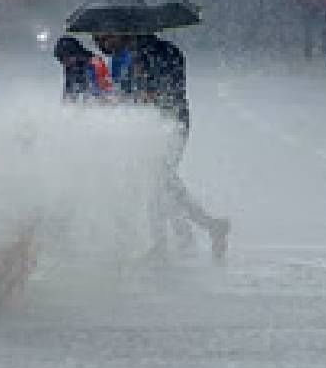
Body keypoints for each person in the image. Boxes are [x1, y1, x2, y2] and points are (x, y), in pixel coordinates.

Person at [94, 32, 231, 261]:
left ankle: (201, 229)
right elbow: (130, 92)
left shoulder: (154, 54)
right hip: (166, 122)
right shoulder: (143, 54)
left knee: (160, 181)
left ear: (119, 35)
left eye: (104, 40)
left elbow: (164, 90)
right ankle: (192, 233)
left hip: (168, 124)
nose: (101, 45)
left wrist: (147, 93)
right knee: (160, 183)